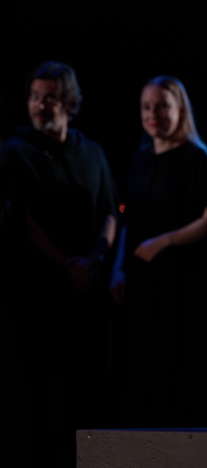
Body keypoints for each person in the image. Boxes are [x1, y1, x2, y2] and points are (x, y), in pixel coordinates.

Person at [1, 61, 117, 466]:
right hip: (38, 296)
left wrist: (95, 260)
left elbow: (108, 211)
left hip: (87, 295)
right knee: (39, 401)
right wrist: (67, 265)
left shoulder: (92, 152)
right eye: (34, 98)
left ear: (68, 101)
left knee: (86, 396)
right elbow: (23, 219)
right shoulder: (16, 152)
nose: (39, 106)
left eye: (48, 98)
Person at [110, 76, 207, 426]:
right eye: (147, 107)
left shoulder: (196, 158)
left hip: (185, 283)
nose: (154, 114)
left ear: (179, 109)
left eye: (162, 105)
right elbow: (128, 222)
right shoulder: (141, 159)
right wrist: (119, 269)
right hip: (146, 280)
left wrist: (162, 241)